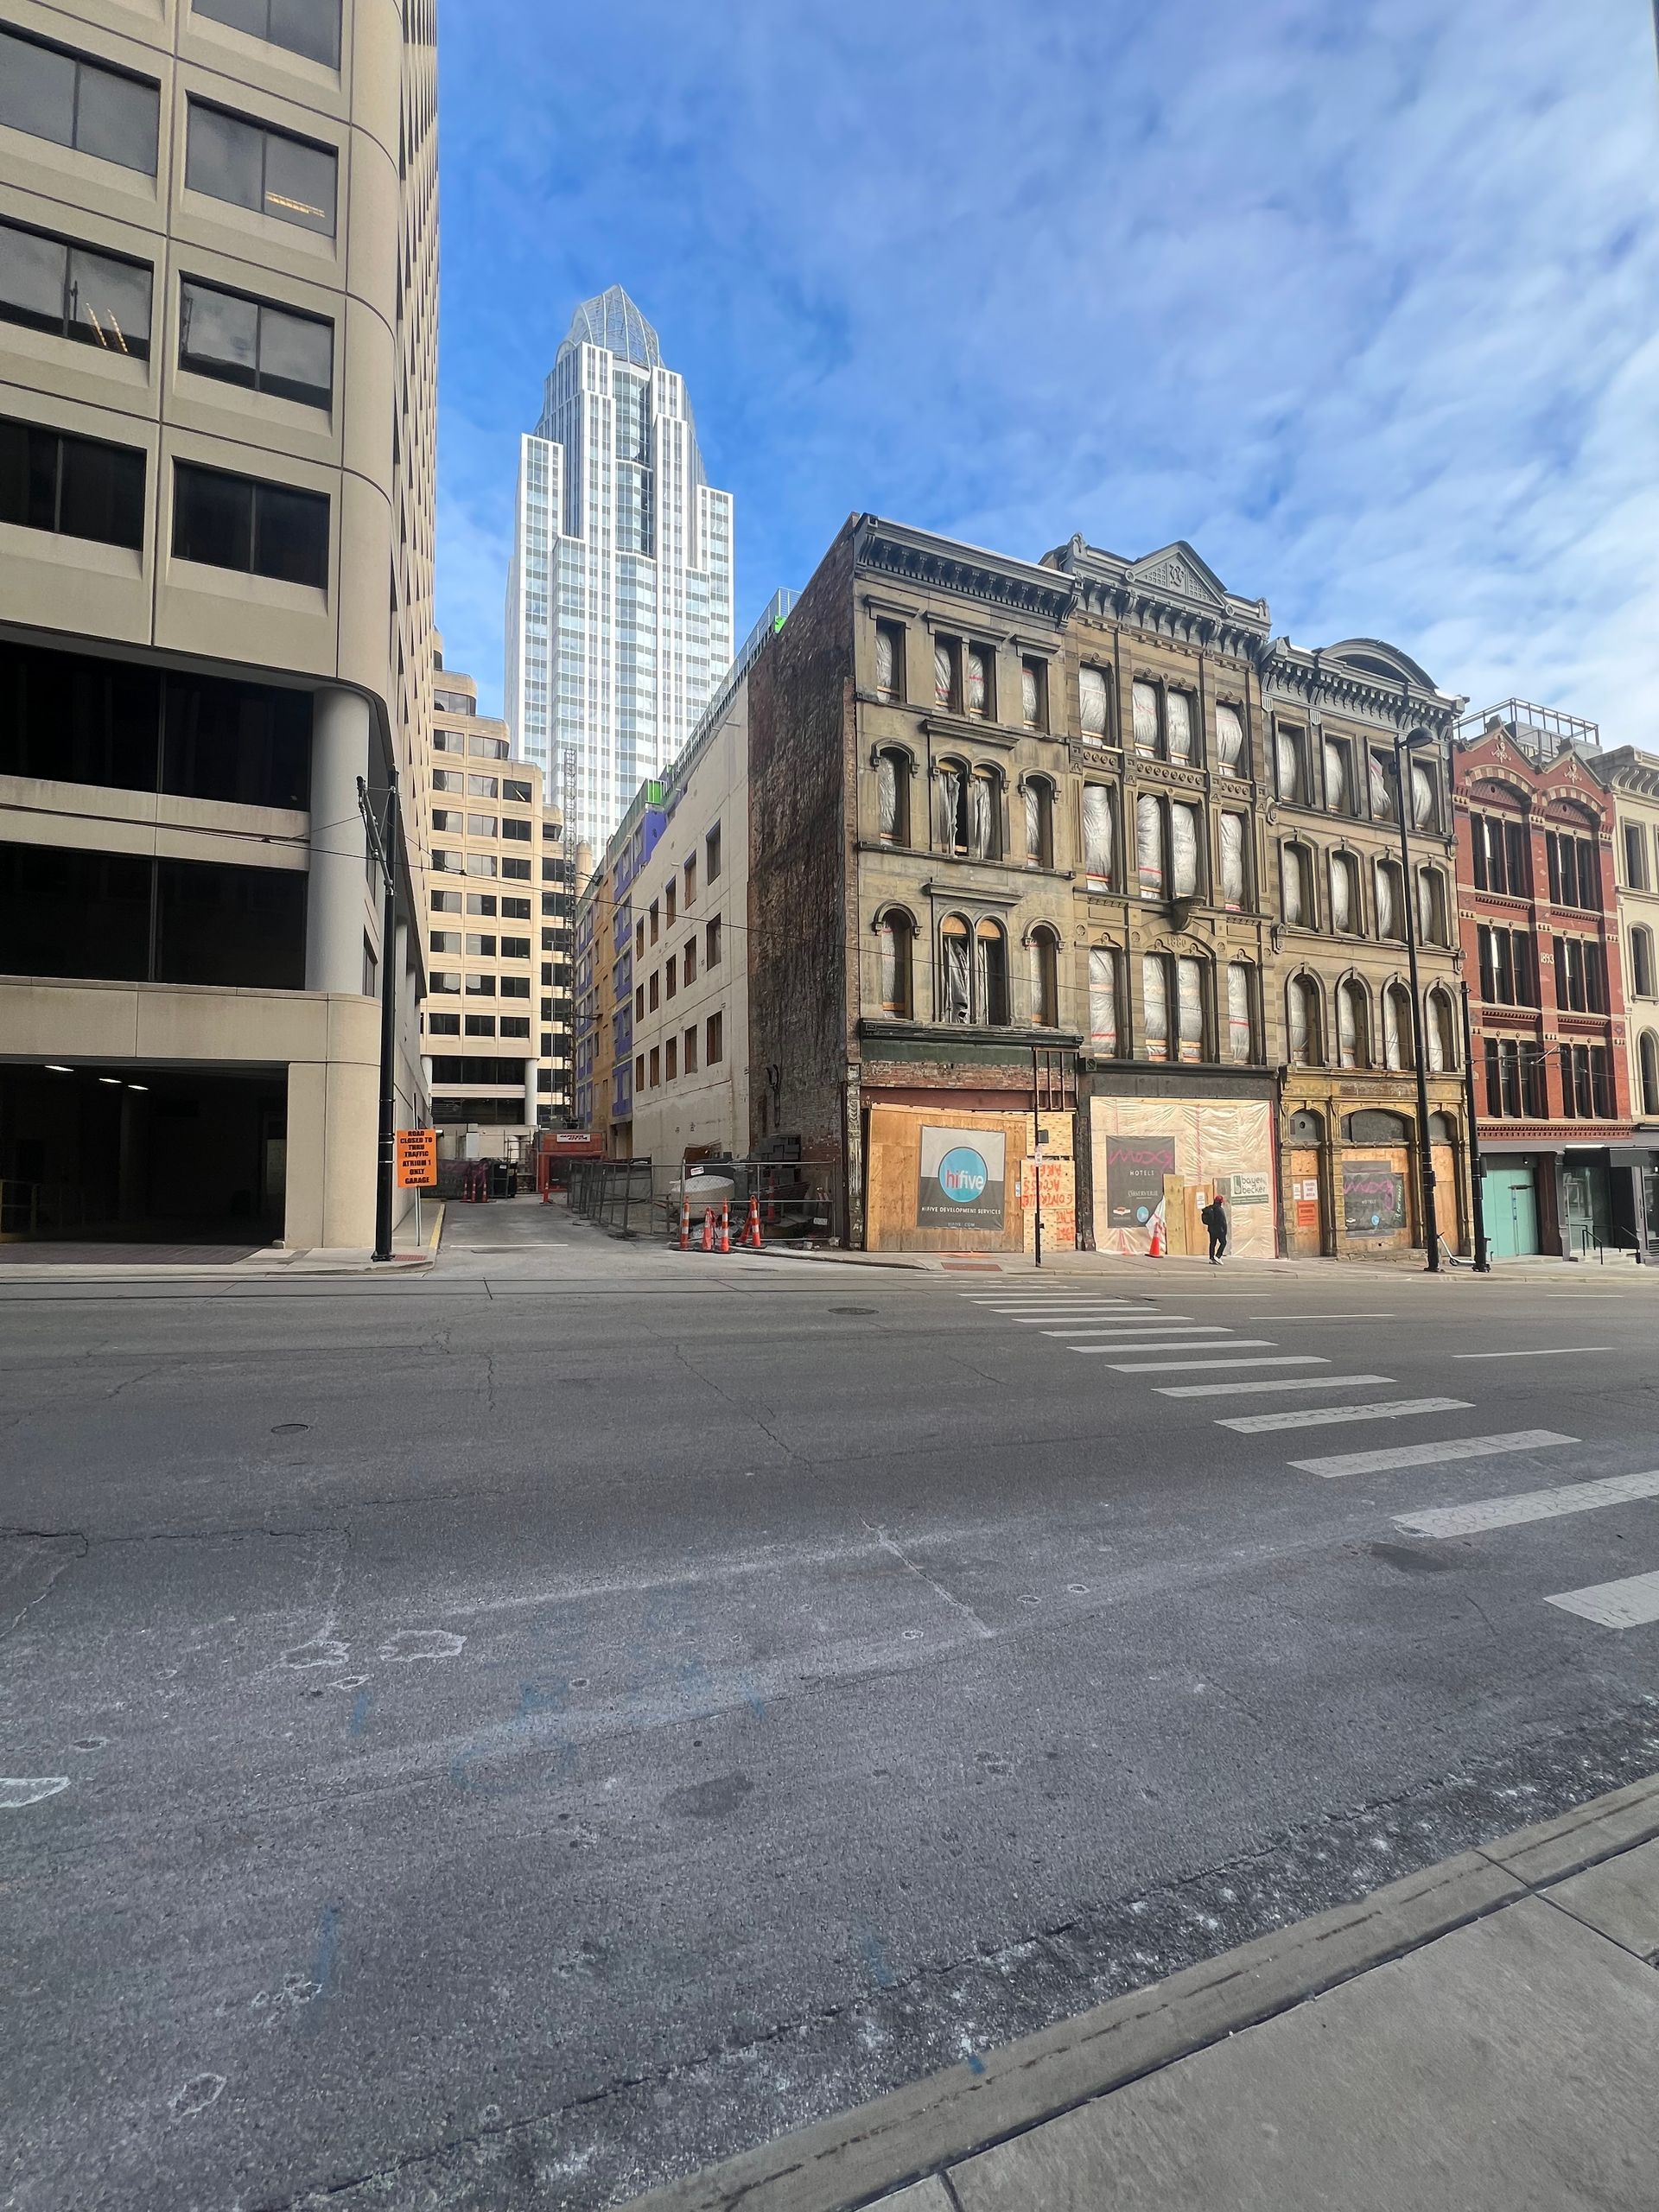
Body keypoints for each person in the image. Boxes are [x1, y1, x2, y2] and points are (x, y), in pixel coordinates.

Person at [1202, 1192, 1229, 1264]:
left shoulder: (1210, 1208)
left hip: (1211, 1229)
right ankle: (1218, 1256)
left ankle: (1211, 1258)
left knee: (1212, 1243)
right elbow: (1223, 1221)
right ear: (1221, 1202)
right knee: (1223, 1242)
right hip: (1219, 1230)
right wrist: (1225, 1231)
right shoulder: (1220, 1210)